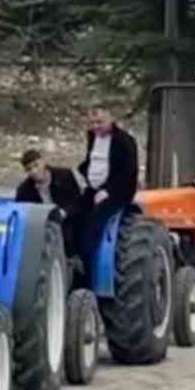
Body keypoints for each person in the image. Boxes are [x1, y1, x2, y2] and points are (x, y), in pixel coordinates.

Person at [76, 104, 139, 270]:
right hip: (93, 188)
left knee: (94, 222)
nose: (95, 126)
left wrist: (108, 191)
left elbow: (128, 173)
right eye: (92, 123)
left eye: (100, 122)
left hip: (116, 192)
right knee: (75, 213)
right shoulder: (92, 136)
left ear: (111, 119)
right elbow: (92, 161)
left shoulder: (125, 141)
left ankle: (87, 265)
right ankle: (70, 256)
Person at [15, 149, 81, 216]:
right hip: (40, 223)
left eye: (36, 165)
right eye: (29, 169)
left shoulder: (65, 176)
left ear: (43, 162)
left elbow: (78, 201)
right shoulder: (23, 190)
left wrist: (63, 212)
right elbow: (20, 213)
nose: (34, 171)